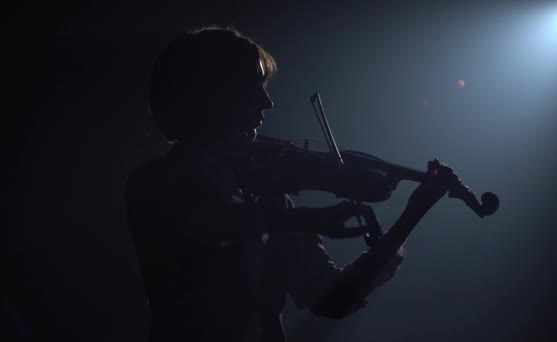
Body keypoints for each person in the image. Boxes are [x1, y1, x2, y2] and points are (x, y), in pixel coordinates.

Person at [125, 26, 459, 342]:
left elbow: (334, 298)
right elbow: (213, 223)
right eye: (251, 86)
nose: (267, 103)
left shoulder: (269, 198)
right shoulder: (153, 183)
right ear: (211, 93)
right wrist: (312, 219)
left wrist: (413, 213)